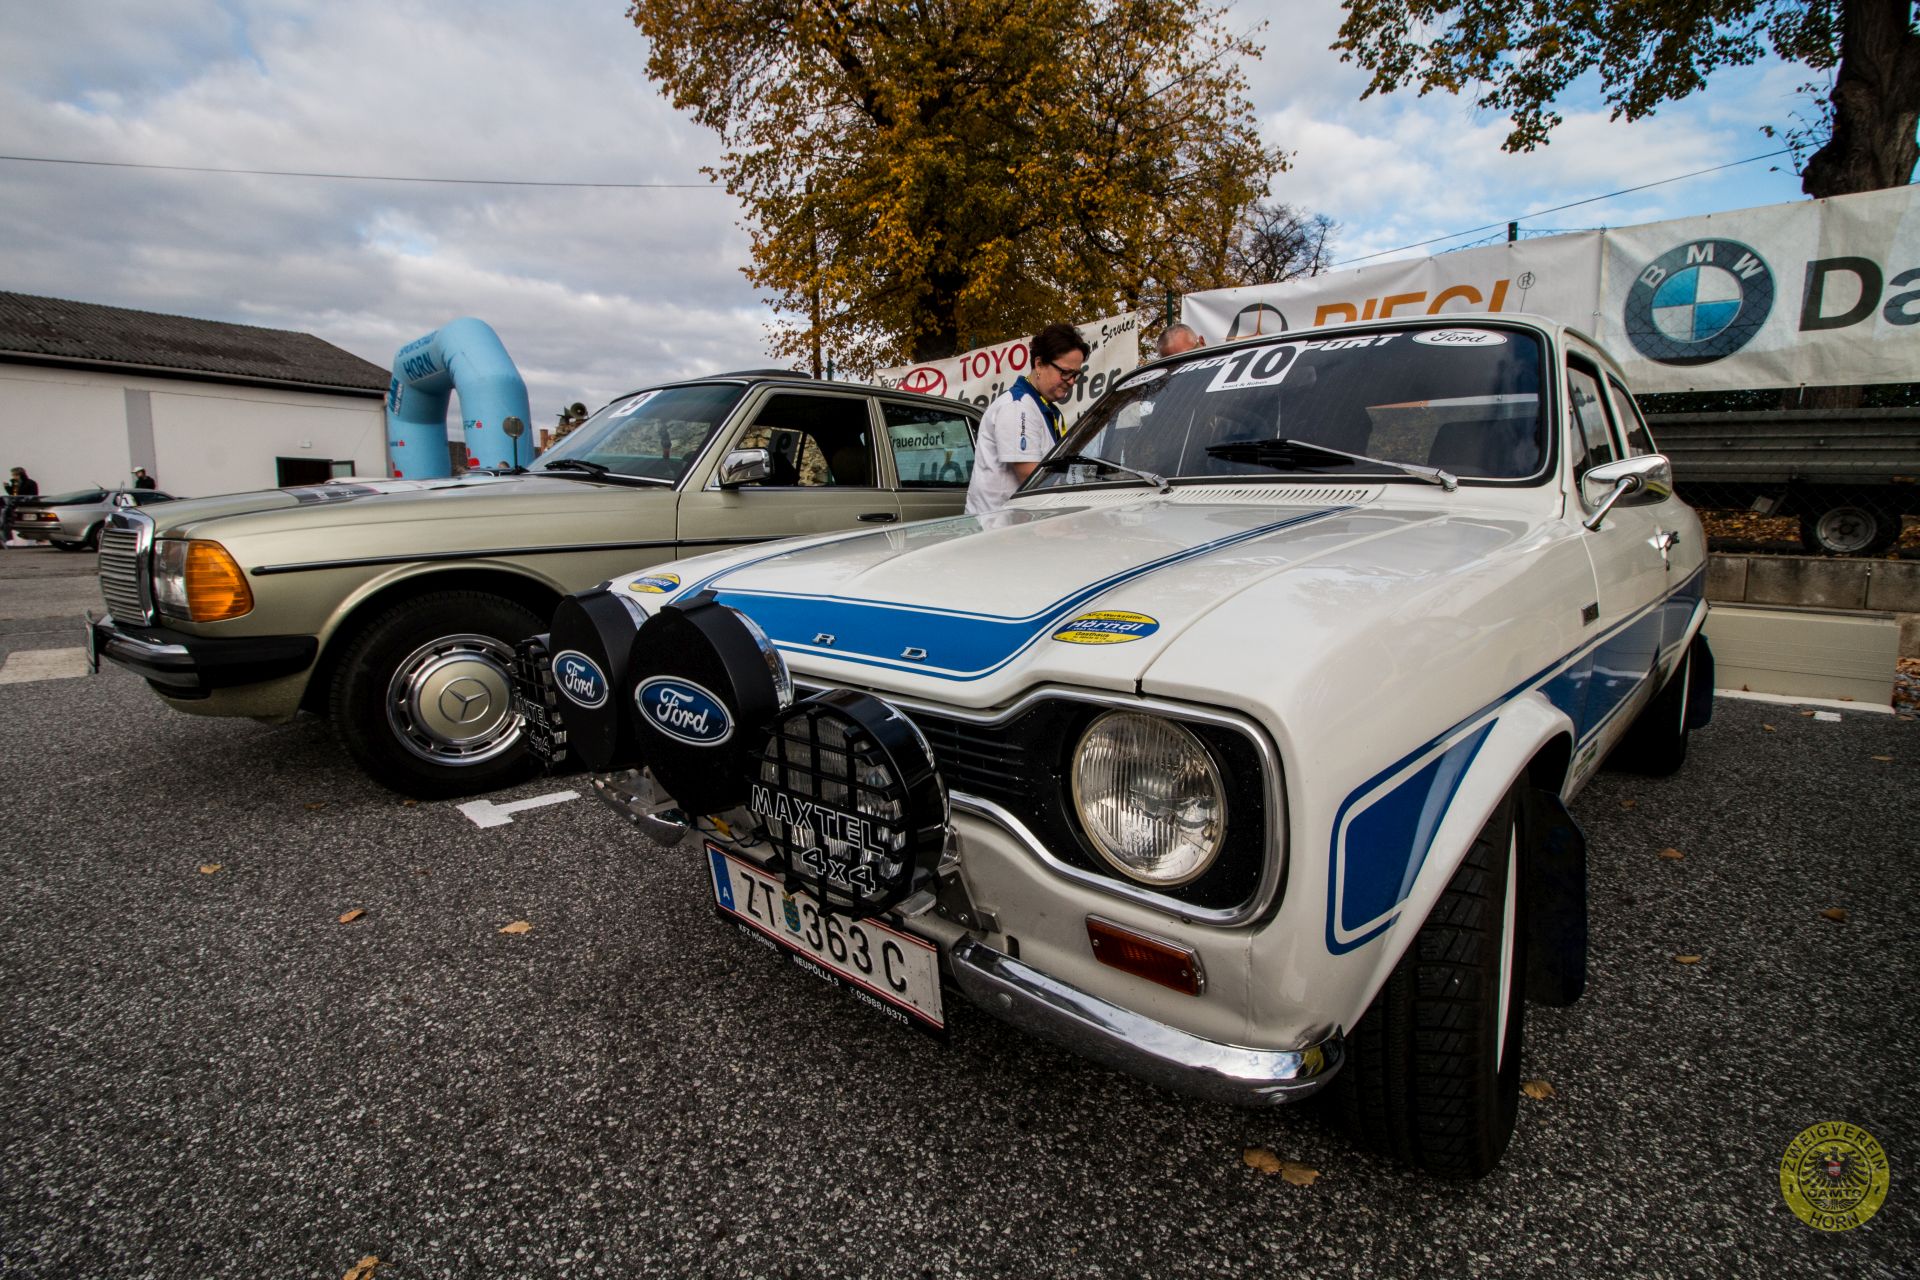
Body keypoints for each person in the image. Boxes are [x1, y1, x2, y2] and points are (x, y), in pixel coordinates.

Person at [963, 322, 1089, 516]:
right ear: (1039, 364)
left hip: (1020, 524)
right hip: (997, 527)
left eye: (1076, 374)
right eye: (1065, 372)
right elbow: (1033, 480)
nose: (1071, 381)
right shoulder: (1018, 407)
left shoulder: (1045, 408)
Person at [4, 466, 39, 548]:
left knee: (28, 523)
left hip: (27, 506)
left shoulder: (30, 483)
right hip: (17, 506)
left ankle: (32, 540)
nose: (13, 477)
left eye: (15, 475)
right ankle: (14, 540)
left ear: (20, 475)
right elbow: (13, 494)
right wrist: (7, 487)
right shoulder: (16, 483)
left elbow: (32, 494)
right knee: (10, 522)